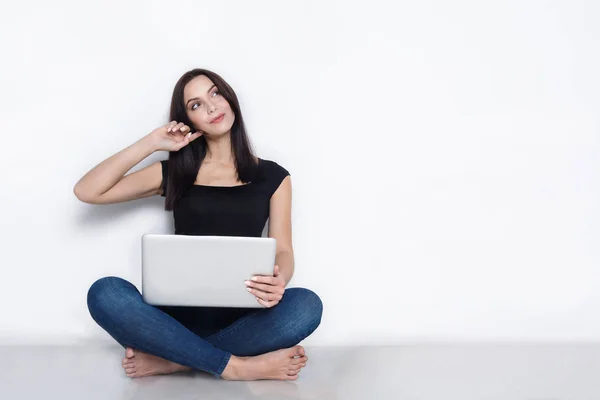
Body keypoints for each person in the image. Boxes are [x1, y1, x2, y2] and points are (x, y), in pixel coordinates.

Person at [73, 68, 323, 381]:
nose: (211, 107)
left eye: (215, 93)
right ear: (189, 120)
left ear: (230, 98)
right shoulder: (175, 172)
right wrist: (151, 142)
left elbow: (283, 249)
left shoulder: (273, 176)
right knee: (105, 292)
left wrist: (280, 278)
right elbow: (88, 191)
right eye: (195, 105)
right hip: (173, 322)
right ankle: (235, 366)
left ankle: (176, 361)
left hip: (244, 318)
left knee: (307, 306)